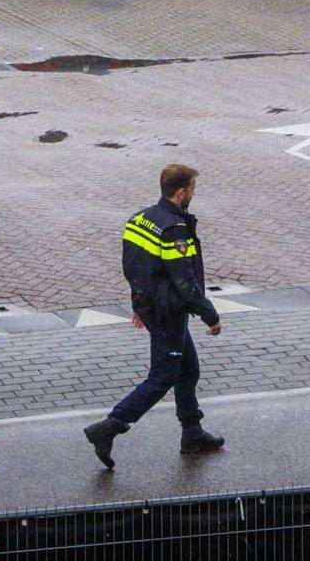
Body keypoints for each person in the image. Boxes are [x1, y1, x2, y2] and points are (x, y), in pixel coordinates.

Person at [83, 163, 224, 468]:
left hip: (153, 308)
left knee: (188, 371)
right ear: (181, 192)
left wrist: (139, 304)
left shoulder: (139, 220)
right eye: (193, 190)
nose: (194, 195)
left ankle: (192, 432)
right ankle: (108, 428)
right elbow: (184, 282)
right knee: (162, 376)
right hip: (168, 313)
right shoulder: (174, 230)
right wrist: (210, 315)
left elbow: (133, 268)